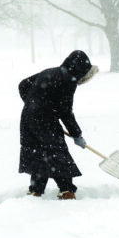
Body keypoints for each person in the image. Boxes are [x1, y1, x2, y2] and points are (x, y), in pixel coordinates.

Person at [18, 50, 98, 200]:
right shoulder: (68, 81)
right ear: (79, 69)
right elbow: (66, 112)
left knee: (39, 152)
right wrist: (76, 134)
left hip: (28, 118)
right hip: (44, 121)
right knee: (57, 153)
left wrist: (33, 104)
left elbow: (23, 85)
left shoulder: (50, 72)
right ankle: (66, 190)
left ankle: (35, 190)